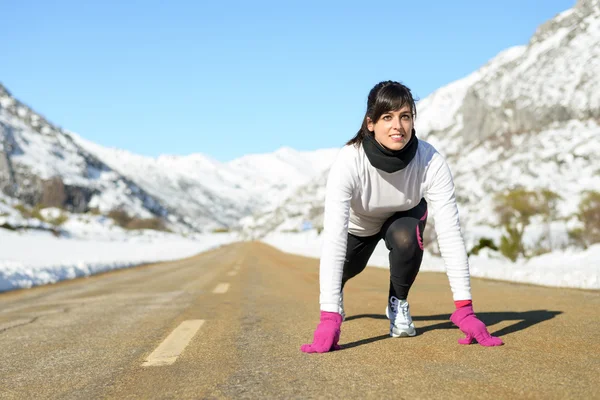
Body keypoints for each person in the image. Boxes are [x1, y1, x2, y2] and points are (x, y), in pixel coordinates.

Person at [300, 80, 503, 353]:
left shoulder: (430, 161)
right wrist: (329, 316)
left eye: (405, 116)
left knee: (408, 238)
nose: (398, 126)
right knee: (346, 269)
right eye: (388, 117)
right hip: (360, 225)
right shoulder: (349, 161)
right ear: (370, 123)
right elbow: (334, 238)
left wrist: (464, 308)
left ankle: (398, 303)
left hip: (403, 217)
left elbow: (450, 233)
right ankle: (337, 299)